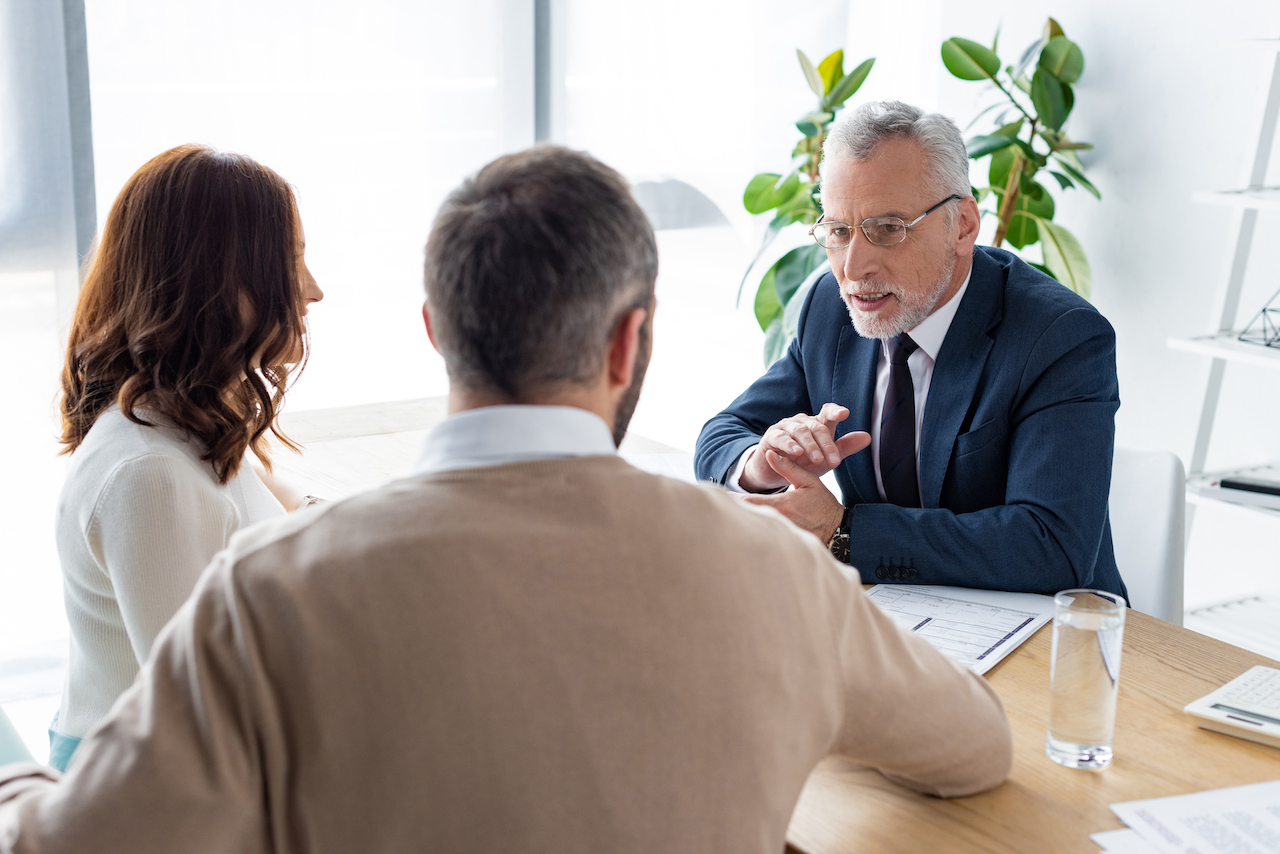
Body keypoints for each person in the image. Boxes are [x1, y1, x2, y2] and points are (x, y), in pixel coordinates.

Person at [0, 146, 1011, 853]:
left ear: (437, 330)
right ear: (626, 343)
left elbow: (75, 841)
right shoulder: (776, 570)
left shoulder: (264, 595)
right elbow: (976, 745)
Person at [695, 100, 1127, 600]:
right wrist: (764, 463)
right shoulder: (829, 307)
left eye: (887, 229)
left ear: (963, 225)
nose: (853, 268)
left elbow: (1051, 547)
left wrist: (845, 530)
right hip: (891, 616)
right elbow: (722, 434)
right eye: (837, 232)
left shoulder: (1060, 336)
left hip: (1043, 633)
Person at [48, 144, 324, 770]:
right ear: (220, 280)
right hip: (133, 806)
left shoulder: (188, 425)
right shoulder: (149, 473)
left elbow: (283, 506)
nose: (313, 292)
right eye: (292, 263)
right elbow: (208, 719)